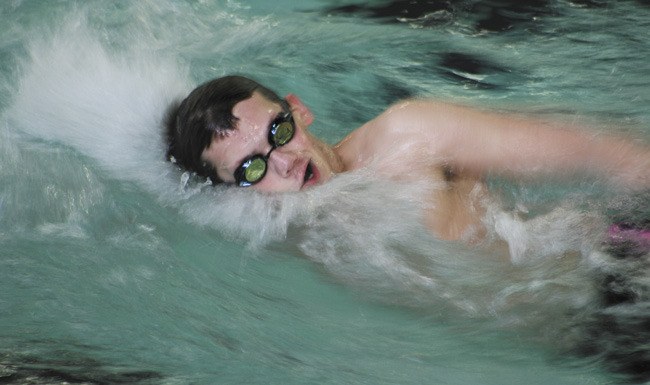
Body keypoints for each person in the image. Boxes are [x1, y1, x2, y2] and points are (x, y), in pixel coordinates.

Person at [165, 75, 650, 242]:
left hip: (611, 278)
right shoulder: (279, 236)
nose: (284, 162)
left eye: (278, 131)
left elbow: (607, 156)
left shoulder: (410, 135)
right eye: (252, 168)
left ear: (299, 110)